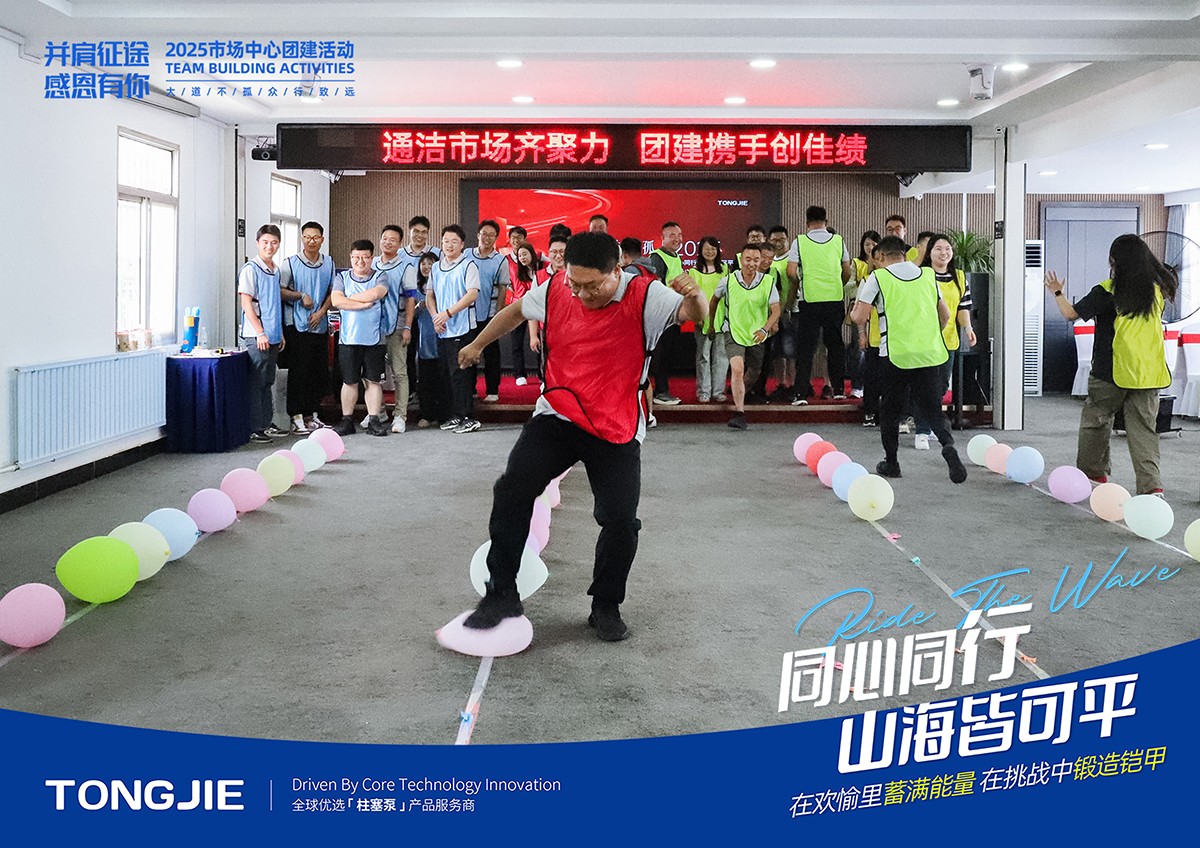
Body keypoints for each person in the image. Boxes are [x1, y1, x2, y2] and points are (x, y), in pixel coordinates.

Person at [455, 232, 709, 641]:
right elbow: (516, 311)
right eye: (575, 283)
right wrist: (477, 344)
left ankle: (605, 605)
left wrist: (695, 295)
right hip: (558, 414)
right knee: (512, 490)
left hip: (615, 425)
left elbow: (694, 314)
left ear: (617, 271)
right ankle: (500, 594)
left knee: (620, 521)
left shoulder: (646, 295)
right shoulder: (558, 287)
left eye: (592, 286)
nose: (581, 293)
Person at [1046, 233, 1176, 495]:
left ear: (1114, 261)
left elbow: (1070, 314)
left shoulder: (1107, 290)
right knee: (1144, 431)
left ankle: (1092, 476)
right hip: (1148, 374)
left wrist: (1057, 292)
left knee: (1096, 422)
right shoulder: (1157, 291)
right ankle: (1151, 487)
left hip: (1110, 372)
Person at [850, 236, 967, 483]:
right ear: (904, 254)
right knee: (932, 408)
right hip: (929, 353)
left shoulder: (878, 277)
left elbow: (859, 317)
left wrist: (854, 309)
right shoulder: (927, 275)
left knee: (891, 409)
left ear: (881, 256)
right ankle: (948, 445)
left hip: (895, 354)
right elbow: (945, 316)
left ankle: (891, 463)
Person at [912, 233, 976, 449]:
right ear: (929, 253)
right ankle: (921, 431)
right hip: (924, 340)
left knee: (940, 387)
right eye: (938, 248)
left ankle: (930, 424)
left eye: (947, 248)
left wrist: (968, 328)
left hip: (948, 340)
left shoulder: (959, 276)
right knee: (924, 386)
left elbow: (963, 307)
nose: (944, 253)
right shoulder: (921, 275)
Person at [788, 206, 852, 404]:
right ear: (826, 222)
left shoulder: (800, 241)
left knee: (806, 349)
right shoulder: (838, 240)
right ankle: (839, 390)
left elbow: (790, 272)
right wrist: (837, 285)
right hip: (834, 300)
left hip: (810, 301)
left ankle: (800, 394)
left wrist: (800, 284)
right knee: (835, 346)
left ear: (807, 223)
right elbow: (847, 270)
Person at [712, 243, 780, 430]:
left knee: (755, 370)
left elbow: (776, 310)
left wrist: (765, 329)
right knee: (737, 368)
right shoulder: (728, 281)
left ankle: (739, 389)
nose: (752, 263)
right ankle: (739, 412)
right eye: (748, 259)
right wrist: (711, 324)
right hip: (733, 331)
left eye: (756, 260)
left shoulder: (768, 282)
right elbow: (714, 300)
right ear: (741, 260)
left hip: (757, 334)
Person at [330, 240, 391, 437]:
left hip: (375, 339)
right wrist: (362, 305)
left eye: (365, 257)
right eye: (356, 257)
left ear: (372, 258)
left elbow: (377, 293)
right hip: (348, 339)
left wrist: (348, 300)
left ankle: (374, 420)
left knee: (373, 381)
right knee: (349, 381)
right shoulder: (342, 277)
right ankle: (347, 420)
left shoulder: (380, 276)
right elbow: (336, 300)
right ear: (350, 257)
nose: (360, 261)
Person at [278, 221, 334, 433]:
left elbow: (333, 292)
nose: (311, 241)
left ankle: (313, 414)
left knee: (317, 371)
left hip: (319, 326)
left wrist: (321, 312)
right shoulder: (290, 263)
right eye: (307, 237)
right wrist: (300, 295)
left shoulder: (328, 263)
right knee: (299, 372)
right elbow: (280, 291)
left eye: (315, 237)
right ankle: (297, 416)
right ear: (302, 239)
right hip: (296, 326)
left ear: (322, 239)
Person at [427, 224, 481, 434]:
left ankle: (468, 416)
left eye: (454, 242)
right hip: (443, 329)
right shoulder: (436, 267)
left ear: (462, 244)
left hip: (462, 327)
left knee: (461, 374)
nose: (449, 245)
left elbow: (472, 294)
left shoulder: (468, 265)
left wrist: (448, 313)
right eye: (446, 241)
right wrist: (435, 317)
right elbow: (430, 295)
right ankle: (455, 415)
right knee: (447, 374)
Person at [238, 224, 289, 443]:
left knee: (268, 381)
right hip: (256, 335)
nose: (270, 246)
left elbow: (274, 304)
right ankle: (254, 427)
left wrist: (279, 333)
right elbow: (246, 303)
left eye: (274, 242)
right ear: (258, 243)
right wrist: (259, 333)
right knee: (257, 381)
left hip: (274, 335)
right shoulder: (251, 269)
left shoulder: (275, 269)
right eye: (265, 242)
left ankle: (267, 424)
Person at [373, 224, 417, 433]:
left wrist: (407, 326)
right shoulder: (372, 263)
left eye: (393, 239)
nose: (387, 242)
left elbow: (410, 299)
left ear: (400, 244)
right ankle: (378, 411)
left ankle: (400, 415)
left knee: (399, 372)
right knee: (371, 373)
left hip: (397, 324)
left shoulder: (407, 267)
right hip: (372, 327)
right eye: (385, 238)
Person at [466, 219, 511, 402]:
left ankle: (493, 390)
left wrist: (498, 315)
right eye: (484, 234)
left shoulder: (500, 260)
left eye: (491, 235)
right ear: (478, 235)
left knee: (491, 354)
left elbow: (502, 288)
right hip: (468, 314)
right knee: (469, 351)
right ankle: (470, 389)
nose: (487, 238)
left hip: (490, 313)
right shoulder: (466, 255)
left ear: (496, 238)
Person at [645, 221, 687, 405]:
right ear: (662, 238)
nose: (677, 239)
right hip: (661, 315)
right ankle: (661, 391)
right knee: (659, 354)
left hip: (673, 313)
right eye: (672, 235)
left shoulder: (676, 257)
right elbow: (657, 287)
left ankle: (661, 390)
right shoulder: (657, 257)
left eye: (679, 235)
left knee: (667, 354)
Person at [410, 252, 447, 428]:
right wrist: (418, 307)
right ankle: (426, 414)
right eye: (423, 264)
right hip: (424, 339)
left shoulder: (444, 285)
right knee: (425, 380)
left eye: (430, 263)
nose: (426, 267)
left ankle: (443, 415)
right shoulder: (415, 289)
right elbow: (410, 315)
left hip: (442, 336)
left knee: (443, 379)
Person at [690, 236, 729, 402]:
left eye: (713, 249)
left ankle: (718, 391)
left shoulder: (725, 269)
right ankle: (703, 391)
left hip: (721, 319)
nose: (710, 252)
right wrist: (697, 317)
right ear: (700, 251)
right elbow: (692, 297)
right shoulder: (693, 272)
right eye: (707, 249)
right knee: (703, 357)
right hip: (702, 319)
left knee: (721, 357)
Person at [854, 231, 883, 426]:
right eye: (875, 258)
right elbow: (858, 313)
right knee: (872, 377)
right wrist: (862, 335)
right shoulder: (866, 281)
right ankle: (870, 411)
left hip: (895, 340)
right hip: (874, 338)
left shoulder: (895, 280)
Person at [508, 243, 542, 386]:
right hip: (520, 307)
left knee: (541, 341)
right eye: (519, 256)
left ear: (532, 254)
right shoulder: (518, 272)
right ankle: (519, 374)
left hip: (539, 308)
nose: (522, 258)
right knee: (516, 341)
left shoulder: (543, 267)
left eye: (525, 254)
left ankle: (542, 374)